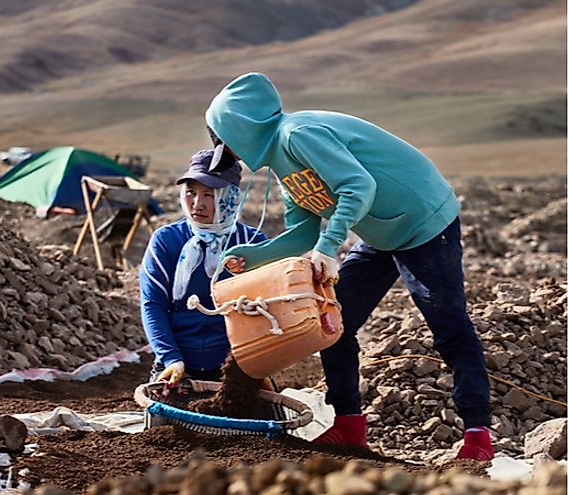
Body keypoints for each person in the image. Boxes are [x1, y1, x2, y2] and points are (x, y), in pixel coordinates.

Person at [203, 72, 494, 460]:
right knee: (332, 323)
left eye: (228, 144)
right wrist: (252, 257)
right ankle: (349, 427)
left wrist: (329, 245)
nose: (232, 154)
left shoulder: (298, 134)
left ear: (240, 130)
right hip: (381, 235)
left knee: (448, 325)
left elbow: (358, 186)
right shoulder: (283, 166)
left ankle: (477, 435)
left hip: (425, 223)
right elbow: (302, 234)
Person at [139, 149, 266, 389]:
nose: (197, 203)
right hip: (178, 366)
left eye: (209, 194)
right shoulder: (167, 240)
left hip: (238, 365)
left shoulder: (252, 243)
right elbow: (152, 304)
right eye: (190, 192)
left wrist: (255, 363)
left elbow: (268, 307)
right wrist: (171, 359)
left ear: (230, 196)